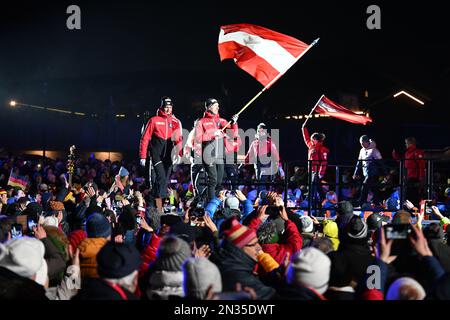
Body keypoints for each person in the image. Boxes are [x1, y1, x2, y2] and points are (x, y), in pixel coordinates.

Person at [139, 96, 183, 211]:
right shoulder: (154, 120)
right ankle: (160, 207)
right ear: (162, 107)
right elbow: (145, 138)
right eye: (166, 107)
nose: (168, 109)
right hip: (156, 153)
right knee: (161, 178)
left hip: (168, 155)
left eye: (170, 107)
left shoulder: (175, 122)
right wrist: (143, 156)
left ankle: (154, 204)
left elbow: (178, 139)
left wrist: (179, 154)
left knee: (164, 180)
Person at [194, 98, 238, 201]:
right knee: (213, 180)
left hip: (220, 155)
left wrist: (234, 123)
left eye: (218, 105)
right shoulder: (201, 122)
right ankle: (211, 204)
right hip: (208, 155)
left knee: (218, 182)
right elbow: (198, 138)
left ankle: (205, 200)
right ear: (209, 107)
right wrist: (213, 134)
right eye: (215, 105)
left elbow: (233, 134)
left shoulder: (221, 121)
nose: (218, 107)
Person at [244, 123, 283, 192]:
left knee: (262, 182)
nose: (260, 133)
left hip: (266, 165)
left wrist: (280, 168)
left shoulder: (269, 142)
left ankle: (264, 197)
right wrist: (242, 163)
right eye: (259, 131)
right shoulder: (254, 142)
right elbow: (249, 155)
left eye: (262, 131)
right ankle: (261, 197)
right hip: (257, 165)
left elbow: (276, 155)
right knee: (259, 182)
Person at [301, 120, 329, 213]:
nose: (311, 140)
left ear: (316, 140)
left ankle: (310, 201)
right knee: (317, 187)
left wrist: (321, 173)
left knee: (313, 186)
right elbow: (306, 138)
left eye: (313, 139)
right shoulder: (311, 146)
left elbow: (324, 162)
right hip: (311, 170)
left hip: (317, 171)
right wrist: (303, 128)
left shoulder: (321, 148)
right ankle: (323, 200)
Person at [353, 135, 386, 207]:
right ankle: (376, 203)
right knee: (374, 189)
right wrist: (355, 173)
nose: (361, 145)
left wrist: (385, 173)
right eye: (360, 143)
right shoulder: (361, 150)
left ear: (367, 142)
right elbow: (359, 162)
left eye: (362, 143)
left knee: (365, 187)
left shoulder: (374, 150)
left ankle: (361, 203)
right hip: (366, 173)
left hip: (373, 173)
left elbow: (381, 162)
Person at [392, 136, 426, 204]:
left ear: (411, 143)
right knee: (408, 195)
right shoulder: (407, 153)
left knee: (412, 195)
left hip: (414, 178)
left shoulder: (417, 152)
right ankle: (410, 209)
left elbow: (422, 165)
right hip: (408, 177)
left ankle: (415, 209)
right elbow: (404, 162)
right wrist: (395, 155)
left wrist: (421, 178)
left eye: (406, 143)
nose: (405, 145)